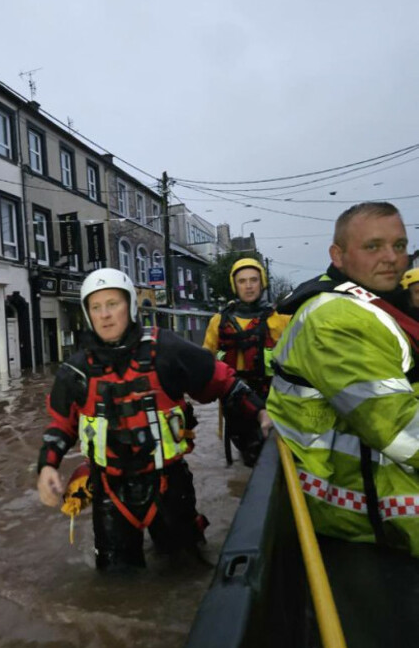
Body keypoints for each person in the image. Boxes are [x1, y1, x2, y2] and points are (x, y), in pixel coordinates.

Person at [37, 267, 272, 570]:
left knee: (186, 571)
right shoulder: (76, 371)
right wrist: (47, 466)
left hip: (169, 485)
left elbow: (225, 382)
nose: (105, 315)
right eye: (96, 307)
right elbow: (60, 426)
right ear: (87, 313)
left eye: (113, 304)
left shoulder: (167, 349)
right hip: (110, 490)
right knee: (117, 581)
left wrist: (262, 411)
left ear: (130, 307)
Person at [267, 202, 419, 556]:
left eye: (399, 246)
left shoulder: (374, 305)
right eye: (372, 246)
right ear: (338, 255)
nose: (391, 257)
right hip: (361, 503)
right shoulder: (337, 319)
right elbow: (403, 434)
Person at [203, 258, 289, 465]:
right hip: (235, 396)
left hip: (270, 393)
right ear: (235, 285)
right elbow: (206, 358)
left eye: (253, 280)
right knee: (247, 450)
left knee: (266, 451)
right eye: (242, 281)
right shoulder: (219, 321)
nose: (248, 286)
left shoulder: (279, 319)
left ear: (262, 283)